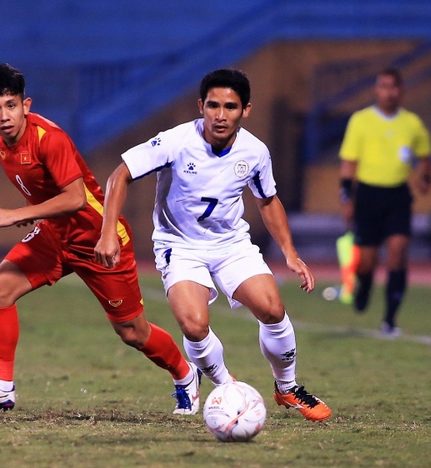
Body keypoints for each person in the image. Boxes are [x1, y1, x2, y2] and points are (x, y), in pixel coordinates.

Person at [0, 63, 201, 414]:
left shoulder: (49, 138)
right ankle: (2, 387)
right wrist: (35, 211)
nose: (4, 116)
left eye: (11, 105)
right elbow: (41, 189)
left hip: (98, 239)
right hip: (54, 236)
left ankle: (185, 374)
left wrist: (18, 214)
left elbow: (76, 198)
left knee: (132, 332)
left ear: (27, 105)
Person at [95, 68, 332, 423]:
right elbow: (120, 175)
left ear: (246, 110)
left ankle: (288, 387)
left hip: (230, 243)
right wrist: (107, 232)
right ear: (201, 106)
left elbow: (268, 201)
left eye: (231, 107)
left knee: (271, 308)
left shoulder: (255, 152)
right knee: (193, 324)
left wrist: (290, 254)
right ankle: (227, 387)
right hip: (180, 245)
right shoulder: (176, 141)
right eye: (213, 105)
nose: (221, 115)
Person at [338, 67, 431, 337]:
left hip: (397, 196)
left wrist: (425, 176)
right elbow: (349, 162)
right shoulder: (361, 120)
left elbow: (424, 153)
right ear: (376, 90)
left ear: (401, 90)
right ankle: (364, 284)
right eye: (383, 86)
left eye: (393, 87)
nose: (388, 92)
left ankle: (390, 319)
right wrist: (347, 198)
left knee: (398, 250)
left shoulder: (411, 123)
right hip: (367, 195)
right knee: (366, 261)